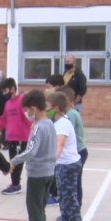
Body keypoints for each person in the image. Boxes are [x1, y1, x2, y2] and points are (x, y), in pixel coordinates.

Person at [9, 90, 57, 221]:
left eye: (27, 110)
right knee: (40, 209)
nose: (26, 114)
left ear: (34, 108)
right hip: (49, 171)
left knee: (35, 210)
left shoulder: (38, 127)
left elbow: (31, 151)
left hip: (38, 173)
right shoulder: (50, 124)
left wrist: (13, 161)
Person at [47, 91, 83, 221]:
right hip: (63, 164)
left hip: (68, 165)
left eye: (47, 106)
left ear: (56, 108)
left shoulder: (62, 124)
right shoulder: (58, 123)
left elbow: (60, 145)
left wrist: (51, 162)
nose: (45, 109)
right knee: (62, 197)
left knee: (69, 197)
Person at [0, 78, 32, 195]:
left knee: (16, 162)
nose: (4, 93)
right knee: (13, 161)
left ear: (13, 89)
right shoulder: (8, 104)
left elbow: (29, 119)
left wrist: (35, 130)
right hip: (11, 138)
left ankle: (16, 184)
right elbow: (3, 121)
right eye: (2, 91)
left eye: (5, 90)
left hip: (21, 138)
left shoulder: (22, 100)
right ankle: (14, 183)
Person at [58, 86, 88, 208]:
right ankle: (73, 207)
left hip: (78, 151)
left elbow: (64, 136)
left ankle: (75, 207)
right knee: (74, 182)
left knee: (74, 183)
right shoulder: (71, 113)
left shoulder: (70, 115)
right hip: (79, 150)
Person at [44, 74, 65, 205]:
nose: (46, 89)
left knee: (56, 171)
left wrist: (53, 157)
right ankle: (53, 193)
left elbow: (61, 143)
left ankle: (56, 195)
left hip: (62, 156)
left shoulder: (63, 119)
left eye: (49, 87)